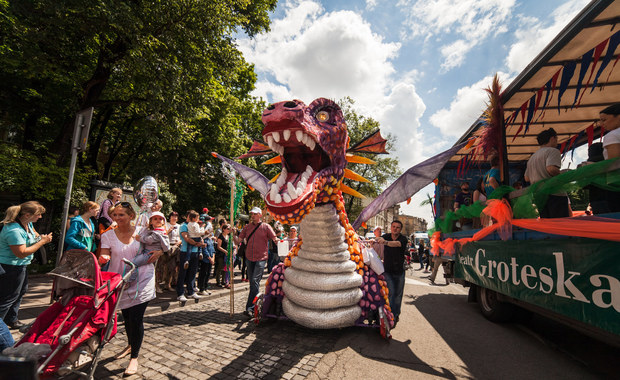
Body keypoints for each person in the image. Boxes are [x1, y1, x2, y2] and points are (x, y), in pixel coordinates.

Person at [99, 202, 162, 376]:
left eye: (121, 215)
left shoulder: (142, 232)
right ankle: (130, 345)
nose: (117, 218)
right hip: (121, 279)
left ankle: (134, 357)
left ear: (131, 216)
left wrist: (159, 252)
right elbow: (104, 253)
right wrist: (103, 257)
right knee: (126, 317)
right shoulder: (108, 235)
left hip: (143, 277)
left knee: (136, 317)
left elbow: (160, 245)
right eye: (115, 215)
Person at [0, 201, 53, 330]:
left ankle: (11, 320)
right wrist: (42, 242)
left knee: (20, 292)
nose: (40, 217)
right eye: (38, 214)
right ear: (27, 215)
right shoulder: (14, 230)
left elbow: (34, 236)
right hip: (10, 267)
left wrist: (41, 238)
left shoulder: (27, 224)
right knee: (8, 297)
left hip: (19, 266)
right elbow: (22, 253)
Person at [239, 207, 277, 318]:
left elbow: (274, 238)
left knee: (255, 281)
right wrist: (233, 233)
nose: (253, 216)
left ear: (260, 215)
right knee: (253, 283)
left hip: (261, 258)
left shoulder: (266, 227)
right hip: (249, 258)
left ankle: (250, 308)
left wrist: (279, 241)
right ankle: (256, 304)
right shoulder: (247, 227)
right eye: (251, 214)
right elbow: (238, 241)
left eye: (255, 214)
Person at [524, 128, 570, 218]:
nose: (557, 142)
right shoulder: (552, 151)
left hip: (539, 195)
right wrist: (563, 176)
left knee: (547, 225)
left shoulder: (532, 158)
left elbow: (527, 178)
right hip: (555, 194)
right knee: (560, 225)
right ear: (552, 138)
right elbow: (551, 169)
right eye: (556, 139)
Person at [376, 220, 408, 326]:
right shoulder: (386, 236)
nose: (395, 229)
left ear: (400, 229)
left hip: (399, 272)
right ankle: (389, 315)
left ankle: (395, 314)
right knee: (391, 293)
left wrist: (384, 242)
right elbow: (378, 241)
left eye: (398, 227)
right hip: (388, 271)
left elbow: (397, 244)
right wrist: (374, 241)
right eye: (393, 226)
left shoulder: (403, 239)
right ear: (391, 227)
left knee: (398, 295)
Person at [131, 212, 170, 283]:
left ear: (163, 221)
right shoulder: (155, 230)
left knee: (133, 263)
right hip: (148, 252)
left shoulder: (159, 231)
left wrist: (139, 238)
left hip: (149, 253)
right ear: (151, 222)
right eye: (155, 219)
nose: (158, 220)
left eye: (160, 219)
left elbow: (150, 240)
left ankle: (130, 280)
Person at [176, 210, 204, 302]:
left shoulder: (195, 225)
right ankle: (180, 293)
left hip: (195, 252)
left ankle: (191, 291)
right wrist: (198, 244)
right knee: (183, 273)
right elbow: (186, 238)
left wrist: (200, 242)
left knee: (192, 273)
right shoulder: (184, 226)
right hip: (185, 251)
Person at [598, 104, 620, 212]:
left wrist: (594, 168)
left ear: (618, 117)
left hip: (616, 183)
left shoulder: (612, 135)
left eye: (604, 120)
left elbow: (614, 163)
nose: (602, 124)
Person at [160, 211, 181, 291]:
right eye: (173, 216)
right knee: (162, 266)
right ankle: (159, 284)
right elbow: (162, 235)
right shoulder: (166, 225)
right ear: (170, 217)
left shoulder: (179, 226)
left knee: (172, 266)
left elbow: (181, 236)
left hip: (175, 247)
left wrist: (179, 242)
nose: (174, 218)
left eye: (176, 216)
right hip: (166, 247)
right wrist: (168, 231)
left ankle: (168, 284)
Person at [197, 222, 215, 295]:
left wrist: (213, 257)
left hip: (210, 259)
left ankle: (205, 286)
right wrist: (209, 258)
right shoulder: (204, 240)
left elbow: (213, 249)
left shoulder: (210, 239)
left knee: (208, 274)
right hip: (206, 259)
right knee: (203, 274)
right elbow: (204, 250)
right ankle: (201, 288)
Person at [215, 224, 232, 288]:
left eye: (229, 229)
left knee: (225, 268)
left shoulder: (228, 236)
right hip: (221, 254)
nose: (229, 230)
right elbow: (218, 246)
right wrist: (225, 251)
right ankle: (218, 281)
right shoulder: (221, 236)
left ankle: (223, 281)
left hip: (226, 254)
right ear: (223, 229)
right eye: (228, 229)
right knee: (220, 267)